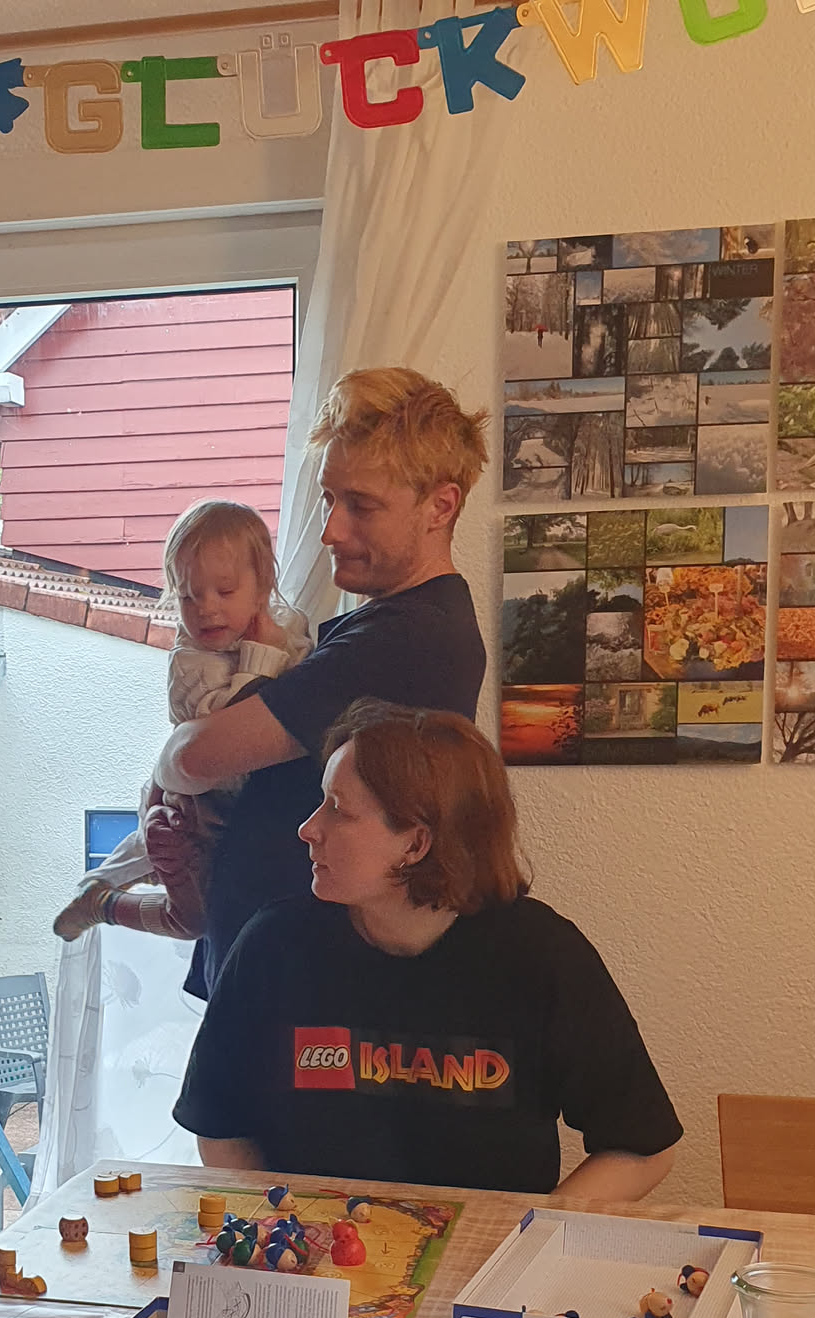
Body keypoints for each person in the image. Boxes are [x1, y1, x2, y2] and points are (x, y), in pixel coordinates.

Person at [173, 702, 681, 1201]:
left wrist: (535, 1234)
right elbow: (219, 1125)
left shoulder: (542, 955)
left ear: (416, 844)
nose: (308, 828)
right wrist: (281, 1222)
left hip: (488, 1254)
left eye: (339, 810)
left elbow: (641, 1148)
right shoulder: (272, 945)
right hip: (314, 1247)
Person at [147, 367, 491, 997]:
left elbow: (194, 758)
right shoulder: (383, 626)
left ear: (440, 506)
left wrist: (168, 757)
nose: (332, 529)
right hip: (281, 971)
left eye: (362, 505)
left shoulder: (405, 639)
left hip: (307, 986)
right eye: (330, 499)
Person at [51, 499, 310, 942]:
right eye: (189, 595)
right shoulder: (191, 660)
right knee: (192, 920)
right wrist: (261, 656)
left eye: (224, 591)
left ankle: (101, 889)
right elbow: (225, 736)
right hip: (197, 807)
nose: (206, 608)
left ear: (264, 584)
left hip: (244, 807)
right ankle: (100, 901)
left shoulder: (291, 626)